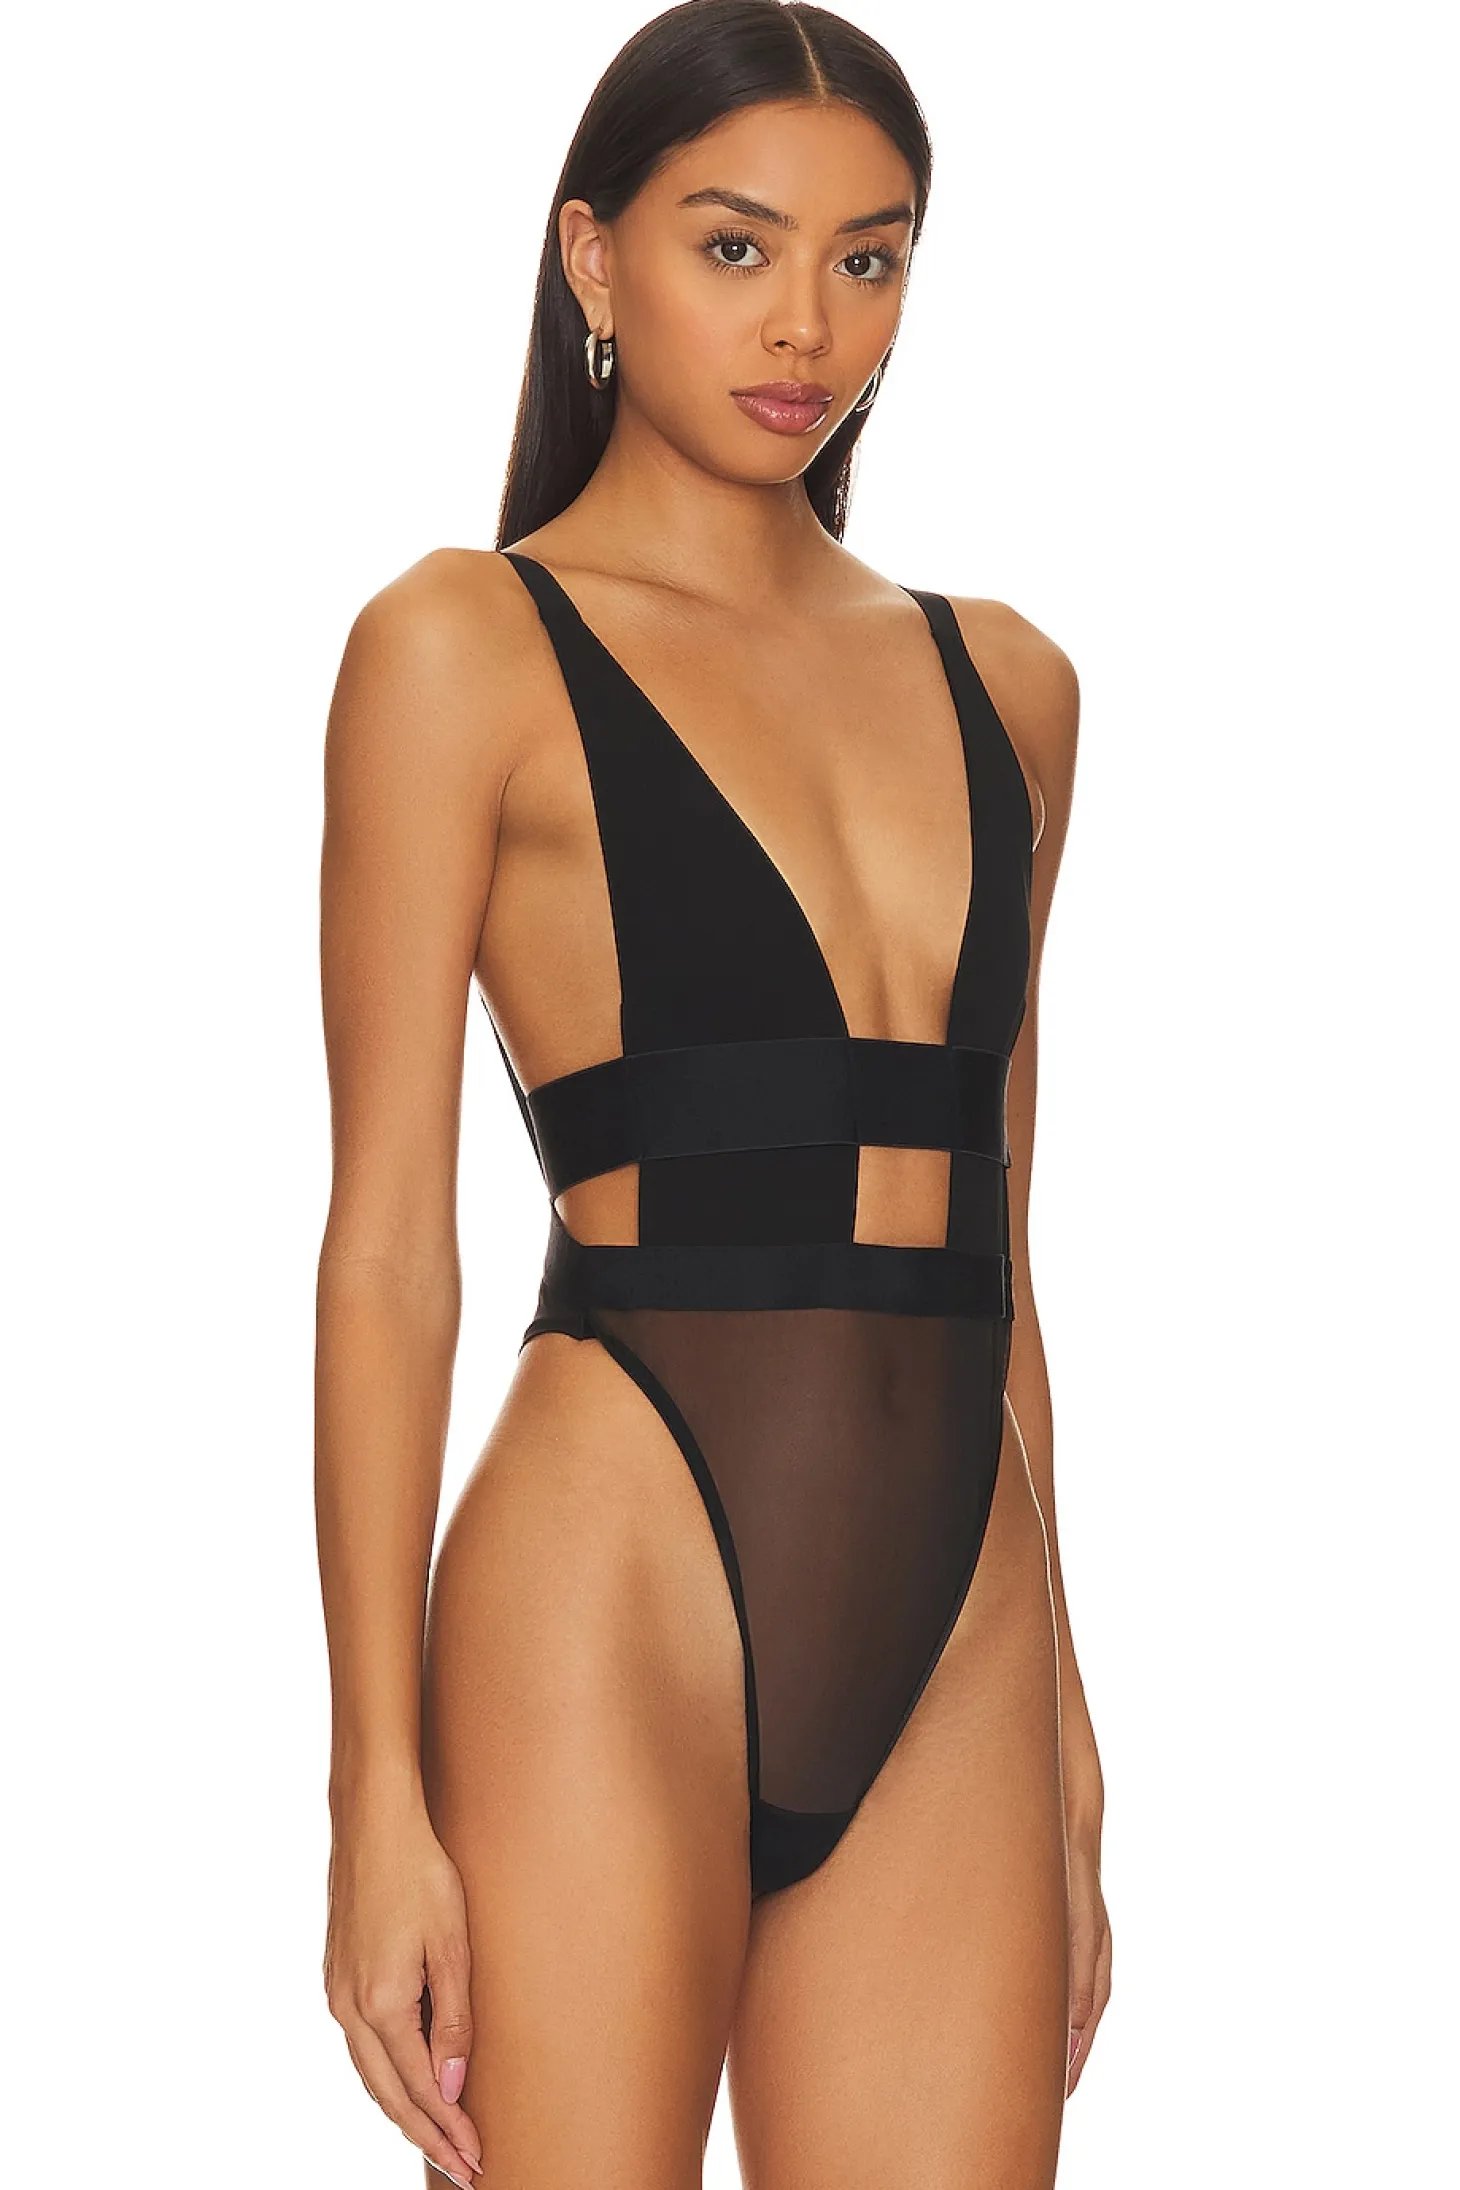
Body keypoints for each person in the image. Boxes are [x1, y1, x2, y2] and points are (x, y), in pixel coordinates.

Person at [314, 3, 1110, 2183]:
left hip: (958, 1602)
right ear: (594, 256)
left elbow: (997, 1236)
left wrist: (1066, 1710)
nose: (806, 327)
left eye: (870, 259)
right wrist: (373, 1790)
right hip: (617, 1557)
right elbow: (386, 1249)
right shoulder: (464, 646)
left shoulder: (1009, 686)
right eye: (734, 246)